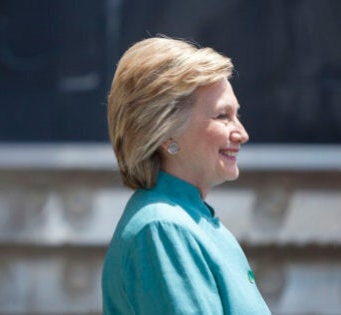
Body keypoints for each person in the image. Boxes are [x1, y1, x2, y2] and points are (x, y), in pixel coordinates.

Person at [101, 36, 271, 314]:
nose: (242, 133)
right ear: (166, 133)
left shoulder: (184, 221)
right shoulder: (163, 229)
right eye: (222, 116)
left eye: (237, 115)